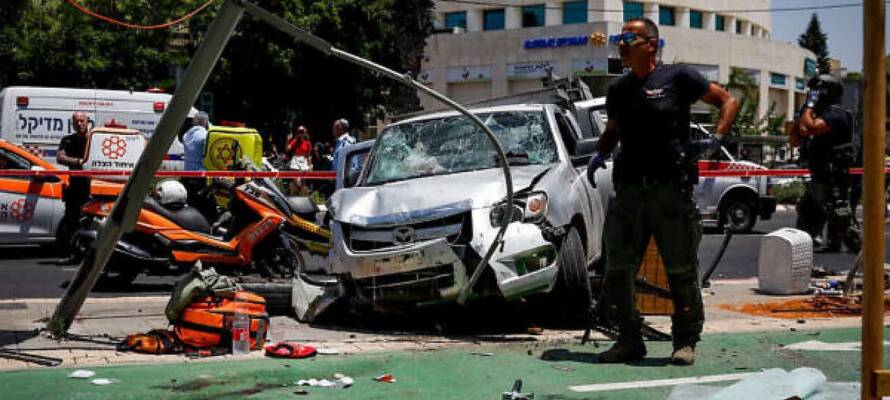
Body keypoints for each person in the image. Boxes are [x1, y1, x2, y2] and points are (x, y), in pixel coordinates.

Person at [586, 18, 739, 365]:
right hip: (628, 192)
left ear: (651, 44)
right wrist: (599, 153)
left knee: (680, 269)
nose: (620, 44)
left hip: (670, 190)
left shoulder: (678, 77)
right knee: (617, 269)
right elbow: (613, 130)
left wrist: (716, 139)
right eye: (618, 38)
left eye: (629, 38)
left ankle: (684, 342)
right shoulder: (619, 90)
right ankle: (628, 339)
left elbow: (727, 101)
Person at [790, 75, 861, 253]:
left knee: (843, 224)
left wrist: (809, 106)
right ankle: (799, 262)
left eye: (815, 92)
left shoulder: (838, 114)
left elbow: (809, 128)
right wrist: (802, 114)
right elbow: (795, 140)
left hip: (833, 180)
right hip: (818, 178)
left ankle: (870, 263)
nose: (812, 95)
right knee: (805, 219)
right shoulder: (815, 114)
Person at [55, 112, 91, 264]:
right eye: (76, 122)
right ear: (72, 124)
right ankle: (73, 255)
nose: (80, 124)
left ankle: (89, 255)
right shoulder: (68, 140)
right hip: (76, 188)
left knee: (90, 222)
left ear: (87, 121)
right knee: (72, 223)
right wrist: (78, 162)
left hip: (94, 187)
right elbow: (60, 157)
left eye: (82, 121)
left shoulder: (94, 139)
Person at [181, 112, 215, 219]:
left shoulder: (186, 135)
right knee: (202, 202)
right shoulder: (206, 135)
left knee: (190, 201)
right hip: (200, 175)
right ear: (205, 122)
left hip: (187, 173)